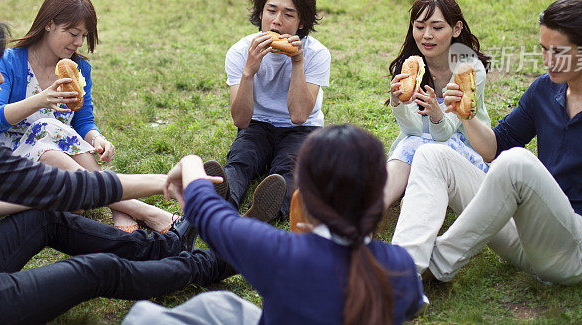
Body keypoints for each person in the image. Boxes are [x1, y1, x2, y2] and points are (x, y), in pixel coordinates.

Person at [0, 15, 234, 325]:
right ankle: (208, 264)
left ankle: (165, 246)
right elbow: (74, 189)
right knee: (95, 271)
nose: (0, 79)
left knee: (46, 217)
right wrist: (167, 181)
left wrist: (35, 203)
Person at [392, 0, 582, 285]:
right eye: (543, 50)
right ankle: (400, 273)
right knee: (430, 154)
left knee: (518, 162)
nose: (548, 62)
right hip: (524, 236)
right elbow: (493, 149)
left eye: (558, 52)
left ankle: (436, 268)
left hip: (574, 252)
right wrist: (466, 115)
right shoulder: (545, 89)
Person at [123, 125, 425, 324]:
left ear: (303, 194)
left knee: (143, 316)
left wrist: (190, 162)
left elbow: (207, 211)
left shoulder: (281, 253)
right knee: (222, 306)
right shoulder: (400, 265)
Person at [0, 0, 174, 233]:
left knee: (49, 142)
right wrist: (41, 100)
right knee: (46, 127)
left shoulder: (78, 69)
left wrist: (97, 138)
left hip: (49, 159)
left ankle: (112, 204)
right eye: (73, 33)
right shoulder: (8, 61)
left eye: (84, 35)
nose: (79, 42)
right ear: (49, 24)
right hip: (4, 164)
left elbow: (83, 122)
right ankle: (134, 208)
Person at [224, 0, 331, 220]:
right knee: (241, 161)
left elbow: (299, 115)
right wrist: (249, 71)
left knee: (291, 171)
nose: (277, 21)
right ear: (261, 13)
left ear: (301, 22)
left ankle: (264, 214)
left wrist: (298, 63)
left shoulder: (316, 54)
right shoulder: (240, 51)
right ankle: (221, 202)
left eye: (288, 15)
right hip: (257, 125)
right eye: (271, 11)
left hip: (302, 130)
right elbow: (241, 120)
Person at [383, 0, 491, 214]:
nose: (426, 36)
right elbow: (412, 129)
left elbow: (445, 133)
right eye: (419, 27)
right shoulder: (413, 66)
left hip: (463, 154)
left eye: (437, 27)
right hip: (417, 147)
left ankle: (409, 203)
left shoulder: (468, 70)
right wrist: (398, 104)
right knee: (412, 143)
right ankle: (370, 209)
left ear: (457, 29)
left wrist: (435, 113)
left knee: (417, 146)